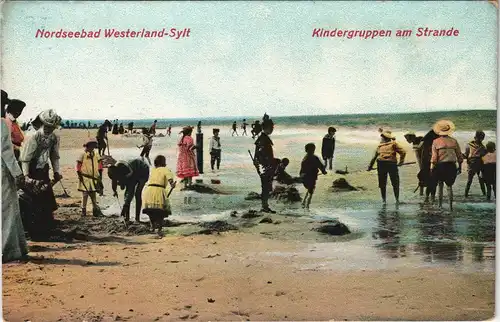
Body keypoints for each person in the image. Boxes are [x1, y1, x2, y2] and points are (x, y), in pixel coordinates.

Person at [19, 109, 62, 236]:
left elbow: (54, 156)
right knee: (32, 199)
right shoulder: (33, 136)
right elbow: (25, 158)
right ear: (42, 123)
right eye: (47, 126)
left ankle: (46, 225)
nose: (49, 129)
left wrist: (56, 171)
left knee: (46, 198)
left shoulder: (54, 137)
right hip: (31, 169)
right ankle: (32, 228)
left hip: (43, 169)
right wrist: (26, 176)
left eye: (51, 127)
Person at [1, 102, 28, 262]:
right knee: (8, 209)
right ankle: (8, 250)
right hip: (4, 171)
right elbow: (6, 152)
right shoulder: (2, 124)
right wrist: (18, 174)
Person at [430, 120, 463, 210]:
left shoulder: (435, 141)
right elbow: (459, 156)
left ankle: (440, 206)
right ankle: (451, 207)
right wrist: (460, 167)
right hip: (451, 166)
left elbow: (434, 158)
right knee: (449, 187)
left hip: (440, 166)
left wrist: (432, 168)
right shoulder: (454, 141)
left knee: (440, 186)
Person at [368, 131, 406, 204]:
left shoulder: (380, 146)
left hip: (381, 164)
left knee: (382, 183)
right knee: (395, 183)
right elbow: (403, 152)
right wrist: (401, 162)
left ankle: (384, 200)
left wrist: (370, 167)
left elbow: (374, 158)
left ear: (384, 138)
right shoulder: (394, 144)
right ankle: (397, 200)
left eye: (382, 137)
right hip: (391, 164)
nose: (381, 139)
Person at [142, 155, 176, 237]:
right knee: (161, 211)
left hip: (149, 190)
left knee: (150, 210)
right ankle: (160, 228)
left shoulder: (153, 170)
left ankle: (152, 226)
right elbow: (170, 179)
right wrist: (172, 184)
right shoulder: (166, 169)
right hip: (159, 190)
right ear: (163, 162)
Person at [108, 158, 150, 223]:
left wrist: (125, 205)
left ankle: (137, 218)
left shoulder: (126, 172)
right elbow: (114, 181)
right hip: (132, 170)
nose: (116, 181)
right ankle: (127, 218)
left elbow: (130, 190)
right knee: (127, 196)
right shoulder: (115, 171)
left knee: (137, 193)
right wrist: (114, 190)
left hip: (143, 169)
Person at [254, 118, 280, 213]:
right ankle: (264, 207)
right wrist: (270, 163)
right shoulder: (263, 139)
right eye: (272, 127)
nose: (273, 128)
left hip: (264, 166)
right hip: (264, 167)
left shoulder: (263, 138)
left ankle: (265, 206)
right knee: (265, 187)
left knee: (266, 187)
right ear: (267, 127)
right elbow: (261, 155)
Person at [76, 139, 104, 217]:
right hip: (85, 176)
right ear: (88, 146)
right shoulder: (82, 154)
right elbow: (78, 166)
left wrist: (100, 175)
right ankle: (83, 210)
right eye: (92, 146)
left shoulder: (96, 154)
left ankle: (95, 209)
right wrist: (79, 175)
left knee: (93, 194)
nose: (93, 148)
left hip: (94, 177)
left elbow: (100, 164)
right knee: (85, 194)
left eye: (94, 146)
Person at [300, 143, 327, 209]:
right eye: (312, 149)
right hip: (311, 177)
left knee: (309, 189)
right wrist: (324, 171)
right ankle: (307, 206)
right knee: (311, 190)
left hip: (305, 177)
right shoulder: (314, 158)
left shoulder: (305, 158)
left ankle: (304, 203)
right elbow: (320, 166)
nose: (313, 150)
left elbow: (302, 170)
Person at [464, 130, 487, 197]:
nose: (480, 140)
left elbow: (485, 158)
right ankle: (466, 194)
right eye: (479, 138)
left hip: (480, 165)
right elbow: (466, 154)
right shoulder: (469, 145)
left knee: (481, 180)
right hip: (471, 165)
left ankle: (484, 194)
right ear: (475, 137)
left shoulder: (483, 148)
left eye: (482, 139)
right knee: (469, 180)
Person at [419, 130, 440, 203]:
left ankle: (428, 197)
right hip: (433, 165)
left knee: (430, 182)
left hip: (426, 165)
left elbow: (423, 157)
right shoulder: (436, 143)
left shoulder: (425, 143)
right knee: (433, 182)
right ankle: (432, 197)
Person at [404, 131, 425, 195]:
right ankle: (422, 193)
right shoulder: (421, 139)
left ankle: (421, 194)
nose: (407, 140)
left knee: (422, 177)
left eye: (407, 139)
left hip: (424, 160)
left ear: (411, 137)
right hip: (428, 158)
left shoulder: (416, 143)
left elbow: (418, 156)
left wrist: (421, 167)